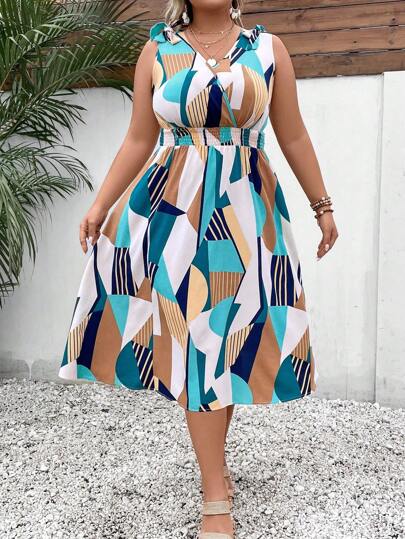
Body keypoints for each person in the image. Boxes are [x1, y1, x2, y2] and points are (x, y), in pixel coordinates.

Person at [58, 0, 338, 537]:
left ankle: (216, 470)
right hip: (172, 214)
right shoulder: (157, 50)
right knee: (199, 344)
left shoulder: (268, 50)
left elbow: (293, 135)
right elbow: (139, 139)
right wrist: (100, 204)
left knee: (225, 342)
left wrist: (322, 206)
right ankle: (214, 495)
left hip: (248, 213)